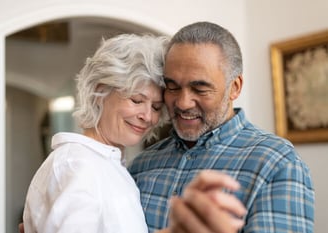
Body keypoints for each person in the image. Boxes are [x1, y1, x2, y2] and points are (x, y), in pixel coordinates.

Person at [129, 21, 315, 233]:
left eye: (199, 88)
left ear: (234, 88)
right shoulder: (141, 165)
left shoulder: (277, 163)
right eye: (172, 86)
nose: (182, 102)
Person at [22, 33, 170, 233]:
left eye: (156, 107)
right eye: (136, 100)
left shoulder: (107, 164)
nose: (148, 116)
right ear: (100, 92)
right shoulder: (78, 165)